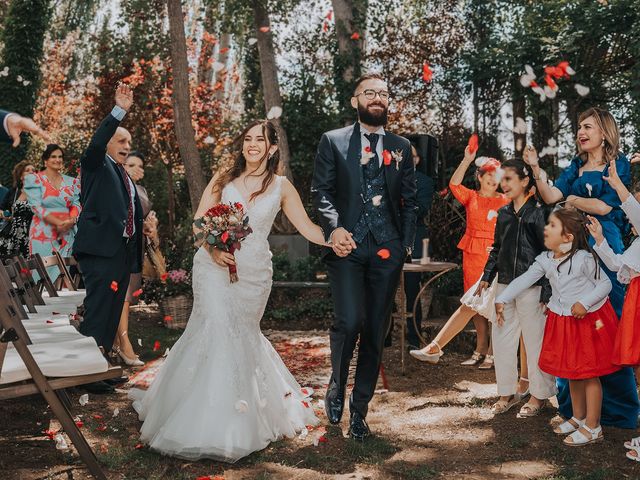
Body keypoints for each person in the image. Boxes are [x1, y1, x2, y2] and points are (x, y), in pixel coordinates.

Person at [130, 119, 330, 462]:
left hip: (254, 276)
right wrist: (212, 249)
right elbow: (198, 222)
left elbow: (308, 228)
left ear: (272, 148)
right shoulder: (223, 180)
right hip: (212, 269)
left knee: (241, 335)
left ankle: (245, 410)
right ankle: (206, 420)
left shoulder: (281, 187)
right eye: (248, 138)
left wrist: (335, 237)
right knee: (217, 330)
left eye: (260, 140)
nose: (252, 144)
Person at [312, 73, 418, 440]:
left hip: (387, 251)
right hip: (347, 247)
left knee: (375, 329)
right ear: (355, 100)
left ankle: (359, 411)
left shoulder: (401, 146)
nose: (377, 98)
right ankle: (337, 386)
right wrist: (334, 229)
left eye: (383, 93)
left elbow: (410, 201)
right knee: (349, 321)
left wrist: (405, 245)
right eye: (369, 92)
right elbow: (321, 192)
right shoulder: (333, 141)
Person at [524, 107, 639, 429]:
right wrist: (535, 168)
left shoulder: (619, 166)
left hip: (606, 248)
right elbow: (551, 196)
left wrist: (571, 200)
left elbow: (605, 206)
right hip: (574, 248)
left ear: (604, 132)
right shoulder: (574, 165)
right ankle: (576, 410)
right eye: (578, 127)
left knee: (607, 327)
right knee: (573, 326)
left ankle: (616, 411)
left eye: (587, 126)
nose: (580, 132)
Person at [496, 208, 617, 446]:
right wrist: (503, 297)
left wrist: (584, 302)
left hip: (586, 322)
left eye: (552, 226)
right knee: (572, 371)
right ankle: (578, 417)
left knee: (589, 374)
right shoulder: (545, 259)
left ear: (568, 237)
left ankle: (593, 426)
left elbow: (604, 284)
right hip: (563, 321)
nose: (545, 229)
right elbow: (524, 279)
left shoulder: (584, 259)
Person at [410, 145, 509, 368]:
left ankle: (493, 354)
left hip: (494, 255)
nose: (493, 180)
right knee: (472, 304)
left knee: (493, 304)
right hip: (472, 253)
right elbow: (454, 185)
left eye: (498, 176)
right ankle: (480, 349)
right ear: (480, 176)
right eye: (489, 175)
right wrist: (466, 160)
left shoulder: (505, 200)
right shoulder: (471, 197)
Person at [73, 83, 143, 394]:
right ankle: (84, 373)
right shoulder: (96, 164)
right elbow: (96, 143)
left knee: (113, 311)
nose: (127, 146)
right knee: (99, 309)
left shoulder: (121, 172)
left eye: (129, 141)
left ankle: (99, 365)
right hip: (100, 251)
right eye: (121, 140)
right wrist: (118, 112)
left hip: (119, 253)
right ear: (107, 142)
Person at [477, 159, 556, 416]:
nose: (504, 184)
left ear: (525, 182)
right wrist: (488, 275)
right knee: (502, 340)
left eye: (510, 178)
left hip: (532, 287)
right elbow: (497, 248)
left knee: (535, 341)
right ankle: (506, 392)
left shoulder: (540, 213)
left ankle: (538, 395)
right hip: (504, 285)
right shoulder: (503, 214)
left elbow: (549, 254)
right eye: (503, 179)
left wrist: (546, 288)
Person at [113, 151, 157, 367]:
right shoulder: (120, 186)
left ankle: (115, 344)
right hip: (122, 246)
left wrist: (151, 226)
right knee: (124, 296)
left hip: (138, 246)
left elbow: (145, 216)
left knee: (128, 298)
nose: (136, 169)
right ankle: (124, 343)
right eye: (131, 165)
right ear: (123, 166)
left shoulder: (141, 189)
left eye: (140, 165)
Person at [23, 145, 80, 280]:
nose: (57, 159)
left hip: (65, 234)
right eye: (53, 156)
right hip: (43, 233)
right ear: (45, 161)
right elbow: (36, 207)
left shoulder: (73, 182)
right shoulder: (33, 180)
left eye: (60, 157)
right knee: (41, 275)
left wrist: (71, 220)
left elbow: (76, 204)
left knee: (62, 274)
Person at [402, 144, 434, 349]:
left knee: (412, 288)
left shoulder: (425, 182)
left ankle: (414, 335)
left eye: (413, 156)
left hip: (415, 238)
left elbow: (421, 209)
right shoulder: (389, 177)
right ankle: (384, 336)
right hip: (388, 238)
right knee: (383, 287)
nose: (410, 159)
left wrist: (401, 203)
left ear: (417, 160)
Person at [0, 160, 36, 256]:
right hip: (12, 234)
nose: (31, 172)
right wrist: (4, 215)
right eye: (27, 170)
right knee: (11, 264)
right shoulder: (13, 192)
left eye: (33, 170)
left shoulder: (40, 192)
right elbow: (1, 209)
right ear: (21, 176)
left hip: (31, 233)